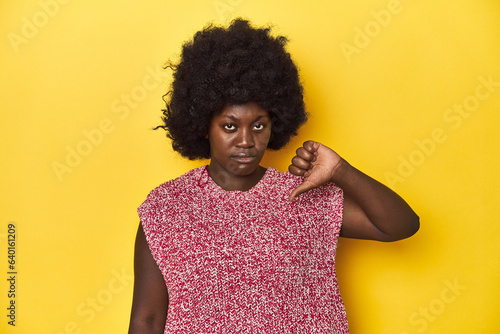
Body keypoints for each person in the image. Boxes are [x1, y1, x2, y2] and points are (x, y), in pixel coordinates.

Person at [128, 19, 419, 334]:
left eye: (258, 125)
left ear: (274, 123)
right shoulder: (167, 208)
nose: (246, 141)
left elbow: (400, 226)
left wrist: (340, 171)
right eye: (229, 126)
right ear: (203, 124)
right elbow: (147, 319)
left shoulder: (302, 195)